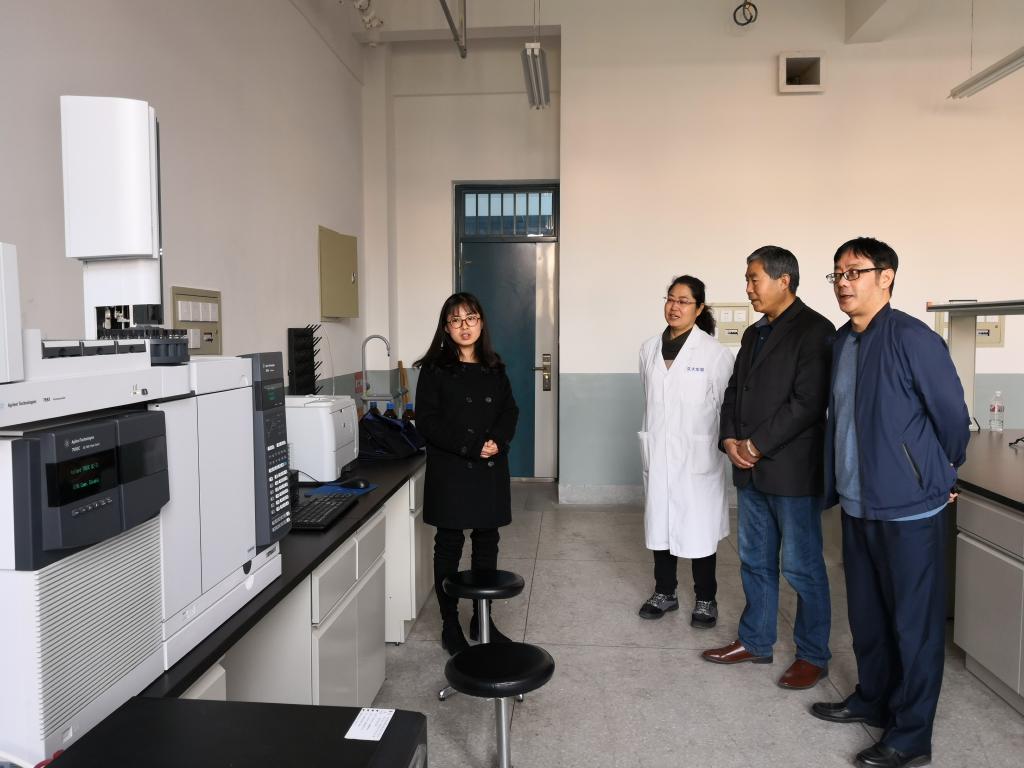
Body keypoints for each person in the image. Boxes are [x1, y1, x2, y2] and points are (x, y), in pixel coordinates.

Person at [811, 237, 969, 768]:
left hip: (909, 508)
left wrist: (941, 471)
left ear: (886, 277)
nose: (843, 283)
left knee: (913, 626)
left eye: (854, 272)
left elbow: (952, 417)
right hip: (858, 503)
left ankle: (912, 735)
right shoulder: (841, 342)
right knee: (868, 615)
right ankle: (873, 698)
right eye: (837, 274)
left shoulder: (913, 338)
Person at [702, 245, 835, 691]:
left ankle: (812, 655)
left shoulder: (815, 330)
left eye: (753, 278)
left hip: (792, 472)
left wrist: (756, 445)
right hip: (750, 469)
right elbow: (734, 390)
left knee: (801, 567)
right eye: (747, 278)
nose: (748, 288)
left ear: (784, 280)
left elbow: (808, 403)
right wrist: (729, 439)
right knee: (755, 561)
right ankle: (755, 641)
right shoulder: (754, 333)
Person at [414, 292, 519, 656]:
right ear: (446, 327)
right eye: (456, 320)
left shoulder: (495, 367)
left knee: (487, 541)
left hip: (489, 468)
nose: (464, 326)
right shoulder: (434, 369)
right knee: (449, 544)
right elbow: (427, 422)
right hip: (452, 470)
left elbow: (509, 411)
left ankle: (481, 618)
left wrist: (497, 441)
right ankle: (450, 623)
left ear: (481, 323)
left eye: (470, 318)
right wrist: (473, 445)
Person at [637, 275, 734, 627]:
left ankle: (706, 598)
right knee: (661, 523)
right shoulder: (649, 349)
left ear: (699, 307)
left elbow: (726, 406)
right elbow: (651, 398)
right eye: (670, 299)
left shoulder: (714, 353)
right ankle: (665, 592)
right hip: (660, 452)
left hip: (697, 456)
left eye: (683, 301)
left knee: (699, 529)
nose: (674, 307)